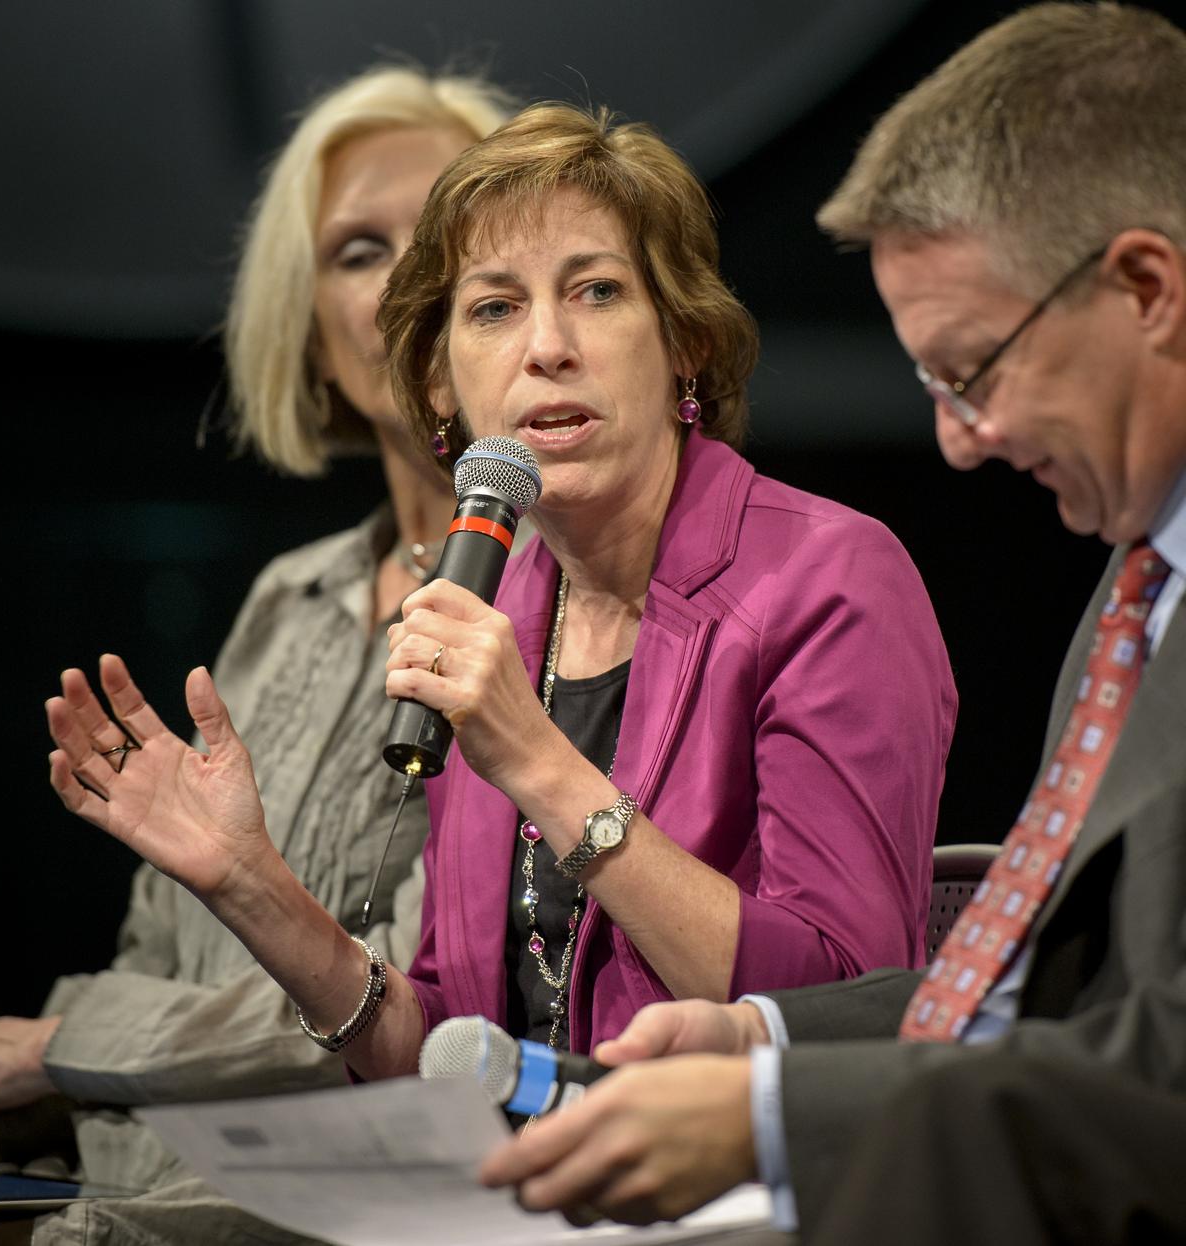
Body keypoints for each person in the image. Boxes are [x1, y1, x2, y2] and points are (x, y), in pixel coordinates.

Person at [44, 102, 955, 1097]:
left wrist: (534, 758)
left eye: (597, 291)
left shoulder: (828, 579)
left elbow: (848, 1000)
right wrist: (250, 885)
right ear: (439, 384)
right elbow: (441, 1041)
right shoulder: (495, 605)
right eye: (493, 308)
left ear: (684, 342)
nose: (546, 346)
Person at [478, 5, 1186, 1243]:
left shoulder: (860, 577)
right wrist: (763, 1037)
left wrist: (768, 1110)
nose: (954, 441)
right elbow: (1050, 1000)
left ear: (1144, 286)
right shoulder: (1134, 594)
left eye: (971, 370)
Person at [0, 67, 510, 1244]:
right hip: (126, 1147)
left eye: (448, 230)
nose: (410, 280)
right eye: (357, 249)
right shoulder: (289, 596)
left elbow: (431, 1007)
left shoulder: (565, 600)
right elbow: (156, 946)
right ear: (310, 322)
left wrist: (63, 1044)